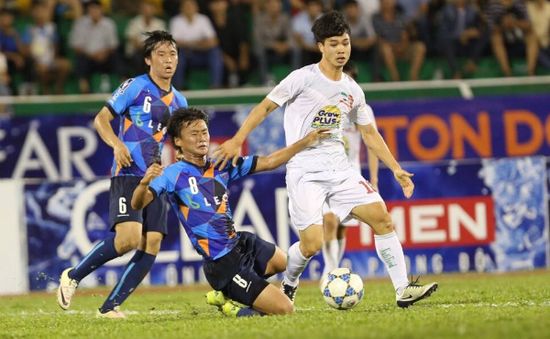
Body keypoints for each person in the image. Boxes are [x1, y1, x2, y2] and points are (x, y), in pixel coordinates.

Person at [214, 11, 437, 308]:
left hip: (340, 169)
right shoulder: (302, 79)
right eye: (334, 44)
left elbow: (369, 134)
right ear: (320, 46)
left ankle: (403, 289)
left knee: (382, 219)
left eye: (345, 42)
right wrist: (237, 140)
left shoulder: (352, 89)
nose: (341, 49)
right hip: (304, 170)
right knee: (312, 245)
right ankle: (289, 283)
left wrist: (395, 168)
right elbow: (265, 107)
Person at [131, 107, 329, 317]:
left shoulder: (221, 164)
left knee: (283, 262)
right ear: (178, 141)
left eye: (204, 132)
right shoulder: (171, 174)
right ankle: (234, 308)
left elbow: (270, 162)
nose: (202, 139)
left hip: (240, 243)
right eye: (194, 134)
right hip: (222, 263)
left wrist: (306, 142)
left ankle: (229, 293)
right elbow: (138, 203)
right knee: (285, 309)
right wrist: (143, 184)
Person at [57, 30, 188, 319]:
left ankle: (109, 307)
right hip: (128, 172)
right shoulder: (134, 86)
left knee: (152, 241)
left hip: (155, 177)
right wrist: (116, 145)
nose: (168, 60)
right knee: (128, 239)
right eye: (161, 54)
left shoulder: (180, 101)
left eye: (173, 54)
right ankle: (73, 275)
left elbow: (180, 144)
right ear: (148, 60)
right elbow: (101, 119)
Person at [320, 61, 379, 282]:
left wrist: (373, 178)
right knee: (329, 221)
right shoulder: (325, 107)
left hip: (350, 173)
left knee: (342, 227)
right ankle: (331, 270)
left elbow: (372, 145)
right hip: (326, 172)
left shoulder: (363, 109)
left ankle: (333, 268)